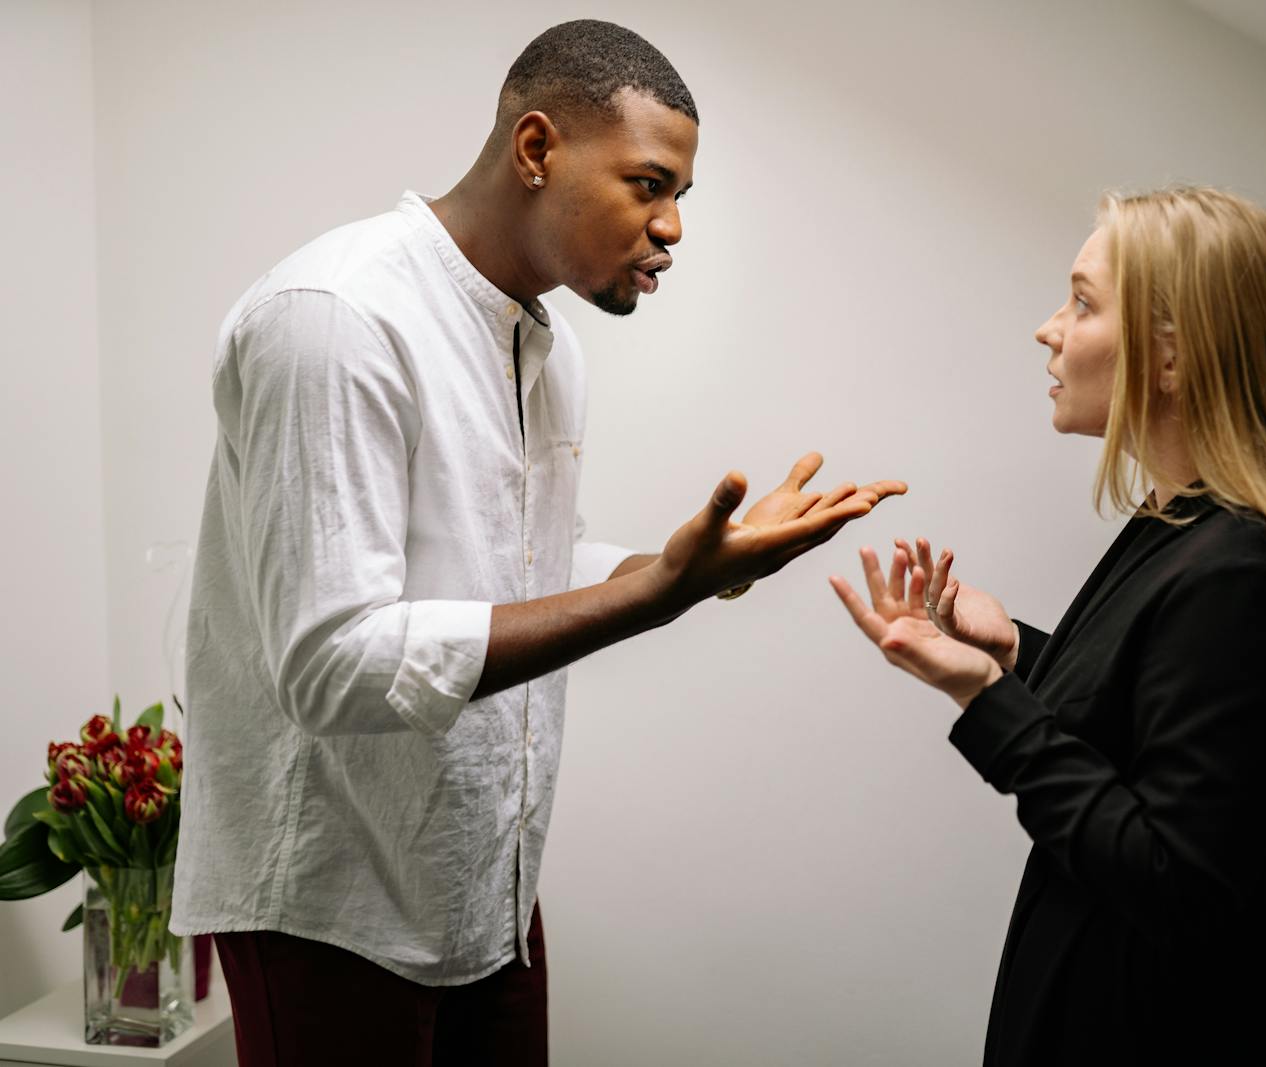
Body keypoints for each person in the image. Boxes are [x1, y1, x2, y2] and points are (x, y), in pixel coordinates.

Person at [172, 20, 903, 1066]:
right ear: (535, 149)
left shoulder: (544, 348)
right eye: (648, 184)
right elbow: (329, 664)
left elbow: (506, 568)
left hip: (485, 889)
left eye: (680, 198)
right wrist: (646, 597)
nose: (671, 228)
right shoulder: (336, 316)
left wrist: (685, 571)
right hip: (328, 900)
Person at [831, 186, 1266, 1065]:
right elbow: (1155, 723)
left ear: (1171, 358)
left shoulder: (1246, 569)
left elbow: (1173, 875)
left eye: (1083, 301)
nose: (1049, 328)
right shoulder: (1184, 527)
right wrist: (1015, 651)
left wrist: (982, 695)